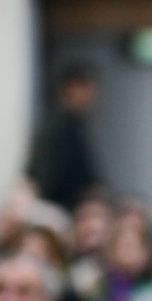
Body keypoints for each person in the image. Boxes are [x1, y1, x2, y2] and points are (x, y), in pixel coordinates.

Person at [25, 64, 102, 211]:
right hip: (59, 211)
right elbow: (48, 182)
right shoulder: (57, 129)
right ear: (72, 88)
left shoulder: (75, 126)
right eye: (87, 88)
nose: (92, 95)